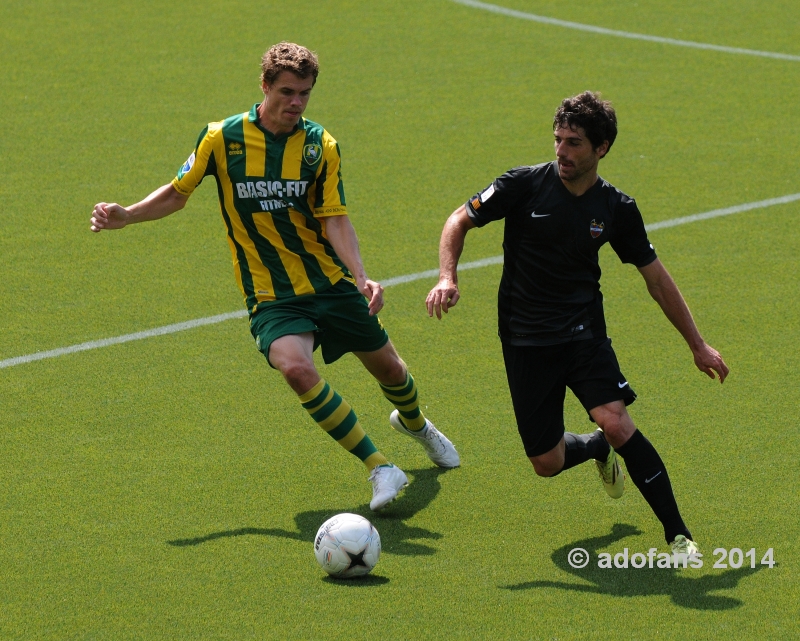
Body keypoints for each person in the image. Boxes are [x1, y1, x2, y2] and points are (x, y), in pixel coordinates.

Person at [90, 42, 459, 511]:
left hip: (328, 282)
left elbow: (334, 218)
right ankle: (380, 467)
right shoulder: (221, 138)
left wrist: (361, 276)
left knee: (390, 368)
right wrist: (129, 215)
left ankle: (415, 423)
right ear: (264, 86)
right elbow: (178, 193)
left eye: (305, 93)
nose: (296, 103)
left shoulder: (318, 146)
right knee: (296, 368)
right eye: (287, 91)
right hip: (271, 294)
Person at [425, 91, 728, 557]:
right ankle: (594, 449)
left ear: (601, 148)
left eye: (574, 144)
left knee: (616, 419)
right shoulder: (523, 185)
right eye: (558, 140)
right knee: (545, 463)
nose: (562, 152)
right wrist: (448, 275)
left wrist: (697, 344)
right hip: (525, 340)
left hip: (583, 335)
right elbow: (458, 220)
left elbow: (657, 279)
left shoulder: (616, 209)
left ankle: (678, 535)